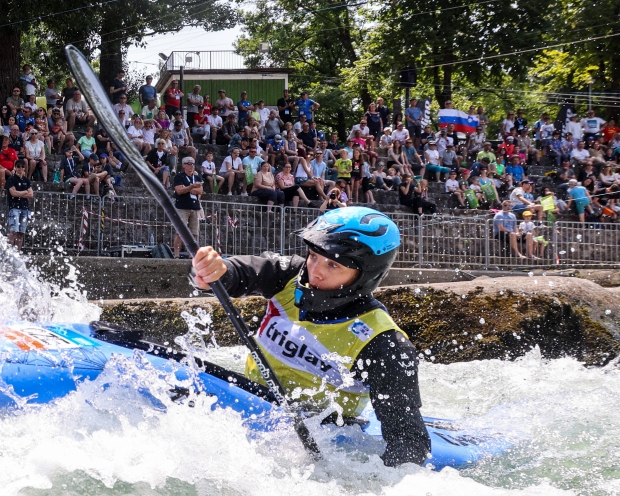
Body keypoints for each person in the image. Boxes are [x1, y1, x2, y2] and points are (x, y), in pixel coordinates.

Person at [190, 207, 431, 467]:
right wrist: (209, 272)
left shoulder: (385, 344)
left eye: (333, 264)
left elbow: (408, 440)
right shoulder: (288, 275)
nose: (314, 271)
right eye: (314, 255)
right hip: (251, 400)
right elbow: (234, 273)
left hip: (322, 435)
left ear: (365, 275)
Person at [172, 156, 203, 259]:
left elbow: (200, 191)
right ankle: (176, 254)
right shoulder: (179, 176)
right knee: (180, 232)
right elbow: (179, 191)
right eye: (189, 164)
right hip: (182, 207)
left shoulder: (197, 177)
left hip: (194, 207)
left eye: (193, 164)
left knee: (194, 233)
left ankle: (191, 255)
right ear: (184, 165)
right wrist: (192, 187)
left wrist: (187, 188)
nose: (191, 166)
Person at [6, 160, 33, 250]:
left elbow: (31, 194)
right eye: (18, 166)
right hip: (14, 208)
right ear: (15, 167)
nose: (20, 168)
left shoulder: (26, 180)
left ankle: (17, 252)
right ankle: (9, 252)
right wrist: (25, 192)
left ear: (24, 168)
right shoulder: (11, 179)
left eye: (22, 166)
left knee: (21, 232)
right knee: (13, 231)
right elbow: (13, 193)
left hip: (24, 208)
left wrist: (20, 193)